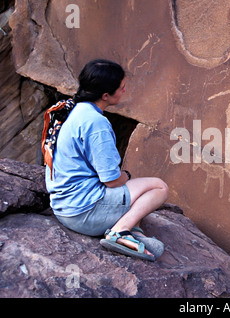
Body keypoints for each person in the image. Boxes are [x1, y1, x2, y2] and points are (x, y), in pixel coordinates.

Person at [44, 59, 169, 261]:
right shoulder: (96, 123)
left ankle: (134, 233)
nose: (124, 91)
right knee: (158, 187)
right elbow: (111, 181)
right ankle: (120, 231)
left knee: (133, 194)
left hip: (63, 207)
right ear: (105, 95)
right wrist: (126, 176)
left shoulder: (72, 109)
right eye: (121, 88)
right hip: (83, 213)